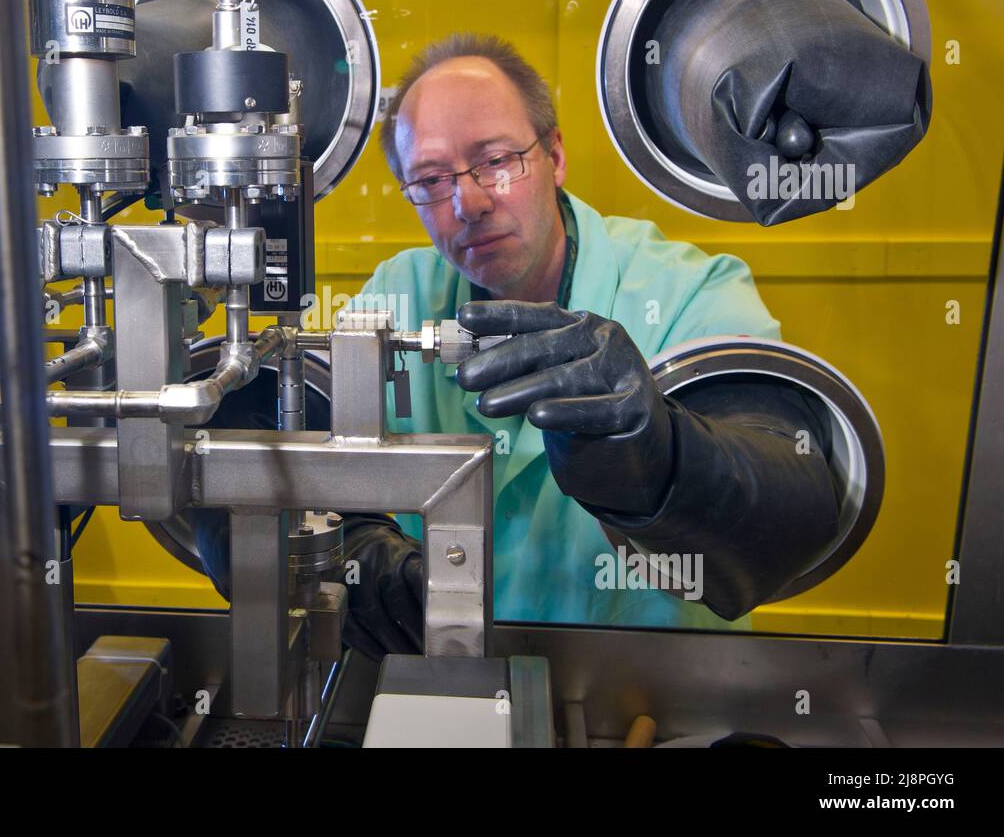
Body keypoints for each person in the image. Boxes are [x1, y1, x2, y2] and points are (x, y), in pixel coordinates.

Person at [342, 33, 841, 651]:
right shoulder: (400, 293)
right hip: (461, 683)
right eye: (431, 180)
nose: (467, 204)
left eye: (496, 161)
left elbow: (794, 514)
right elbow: (295, 443)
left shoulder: (690, 292)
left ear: (554, 157)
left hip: (652, 698)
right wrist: (352, 543)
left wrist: (665, 459)